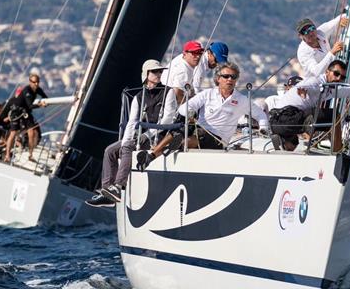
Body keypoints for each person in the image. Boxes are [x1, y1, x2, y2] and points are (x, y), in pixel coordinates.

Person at [138, 62, 269, 170]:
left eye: (233, 77)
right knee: (181, 127)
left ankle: (167, 148)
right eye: (226, 76)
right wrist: (190, 113)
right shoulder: (207, 94)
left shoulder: (241, 100)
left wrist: (263, 128)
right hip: (198, 129)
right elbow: (184, 108)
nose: (230, 79)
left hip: (218, 139)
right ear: (218, 79)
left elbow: (261, 115)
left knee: (189, 138)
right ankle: (153, 155)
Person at [87, 59, 167, 207]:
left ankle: (118, 186)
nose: (159, 74)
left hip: (158, 137)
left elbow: (166, 120)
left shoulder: (167, 93)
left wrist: (145, 135)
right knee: (110, 150)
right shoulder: (138, 97)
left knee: (128, 148)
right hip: (139, 136)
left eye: (160, 71)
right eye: (155, 71)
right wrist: (126, 140)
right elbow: (132, 122)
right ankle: (107, 191)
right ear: (146, 74)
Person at [270, 60, 350, 151]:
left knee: (293, 144)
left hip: (277, 121)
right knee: (334, 115)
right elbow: (307, 84)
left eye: (342, 77)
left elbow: (343, 91)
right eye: (336, 74)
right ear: (327, 72)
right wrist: (302, 90)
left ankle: (282, 141)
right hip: (286, 117)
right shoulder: (317, 82)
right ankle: (338, 151)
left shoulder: (329, 88)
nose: (338, 79)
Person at [3, 73, 48, 163]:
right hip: (17, 111)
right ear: (30, 82)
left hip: (26, 112)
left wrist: (46, 101)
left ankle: (30, 155)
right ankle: (7, 155)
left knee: (32, 132)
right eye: (34, 82)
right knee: (13, 133)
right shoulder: (27, 90)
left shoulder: (38, 89)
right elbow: (30, 105)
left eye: (38, 82)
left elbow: (45, 97)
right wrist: (40, 105)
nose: (36, 84)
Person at [158, 40, 204, 125]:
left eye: (200, 53)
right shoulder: (184, 70)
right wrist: (189, 112)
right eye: (194, 53)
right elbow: (177, 92)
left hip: (162, 100)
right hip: (168, 108)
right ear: (185, 54)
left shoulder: (184, 63)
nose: (197, 56)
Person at [295, 13, 350, 79]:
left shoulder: (320, 32)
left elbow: (339, 18)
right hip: (317, 83)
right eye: (305, 31)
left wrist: (341, 20)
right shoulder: (303, 52)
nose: (310, 33)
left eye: (312, 28)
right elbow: (317, 72)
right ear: (300, 36)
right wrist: (332, 53)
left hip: (333, 76)